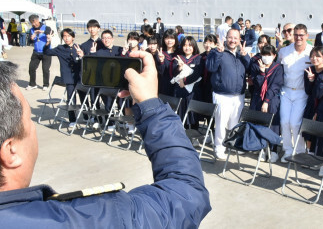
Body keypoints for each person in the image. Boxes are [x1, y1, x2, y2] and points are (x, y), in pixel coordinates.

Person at [0, 55, 211, 227]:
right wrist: (151, 106)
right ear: (11, 150)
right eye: (28, 120)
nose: (33, 127)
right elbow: (186, 193)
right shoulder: (91, 219)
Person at [206, 29, 250, 160]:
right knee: (221, 123)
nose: (233, 41)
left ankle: (233, 144)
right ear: (226, 38)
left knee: (235, 124)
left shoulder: (240, 54)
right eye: (230, 38)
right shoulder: (216, 51)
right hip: (222, 95)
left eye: (236, 38)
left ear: (239, 40)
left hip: (238, 96)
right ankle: (219, 147)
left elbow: (250, 69)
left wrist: (245, 56)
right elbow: (211, 67)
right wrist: (218, 53)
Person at [278, 23, 313, 163]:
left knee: (295, 123)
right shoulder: (284, 51)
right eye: (296, 34)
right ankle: (287, 149)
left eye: (301, 35)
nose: (298, 37)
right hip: (286, 91)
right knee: (284, 121)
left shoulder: (312, 52)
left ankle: (299, 151)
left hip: (302, 92)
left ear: (307, 36)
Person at [249, 45, 283, 162]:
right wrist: (262, 73)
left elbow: (275, 86)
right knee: (259, 124)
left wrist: (267, 101)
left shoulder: (278, 68)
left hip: (272, 100)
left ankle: (273, 150)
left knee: (273, 125)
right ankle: (262, 148)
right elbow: (257, 84)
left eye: (269, 55)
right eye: (264, 54)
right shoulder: (255, 66)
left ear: (274, 56)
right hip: (258, 98)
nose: (266, 57)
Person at [43, 28, 82, 127]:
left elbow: (85, 61)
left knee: (84, 97)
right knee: (71, 98)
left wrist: (81, 55)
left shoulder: (78, 47)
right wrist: (48, 42)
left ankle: (87, 117)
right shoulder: (60, 48)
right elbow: (47, 52)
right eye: (64, 36)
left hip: (80, 76)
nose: (66, 38)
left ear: (73, 37)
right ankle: (72, 119)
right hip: (68, 77)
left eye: (68, 36)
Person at [303, 46, 323, 154]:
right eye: (312, 56)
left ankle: (318, 154)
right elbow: (308, 91)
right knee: (308, 129)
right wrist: (311, 80)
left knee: (319, 130)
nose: (314, 58)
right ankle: (309, 152)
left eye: (317, 56)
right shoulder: (309, 70)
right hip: (312, 103)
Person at [172, 36, 202, 127]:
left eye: (190, 45)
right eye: (185, 45)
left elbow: (196, 74)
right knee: (180, 113)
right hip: (179, 91)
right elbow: (173, 73)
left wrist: (184, 82)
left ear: (194, 46)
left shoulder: (198, 58)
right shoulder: (178, 58)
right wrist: (179, 68)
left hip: (192, 92)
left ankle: (194, 135)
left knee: (193, 115)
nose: (187, 47)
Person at [26, 14, 52, 91]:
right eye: (32, 23)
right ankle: (32, 84)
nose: (33, 24)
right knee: (31, 68)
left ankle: (46, 85)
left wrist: (40, 32)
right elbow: (29, 41)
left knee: (45, 69)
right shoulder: (31, 30)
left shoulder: (46, 27)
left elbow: (49, 32)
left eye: (34, 22)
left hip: (46, 52)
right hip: (36, 52)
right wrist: (33, 35)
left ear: (38, 20)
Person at [157, 29, 179, 96]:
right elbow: (161, 72)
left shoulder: (179, 53)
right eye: (167, 38)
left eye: (172, 38)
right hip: (164, 85)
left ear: (175, 39)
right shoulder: (160, 53)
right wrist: (161, 61)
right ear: (164, 39)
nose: (169, 41)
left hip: (177, 85)